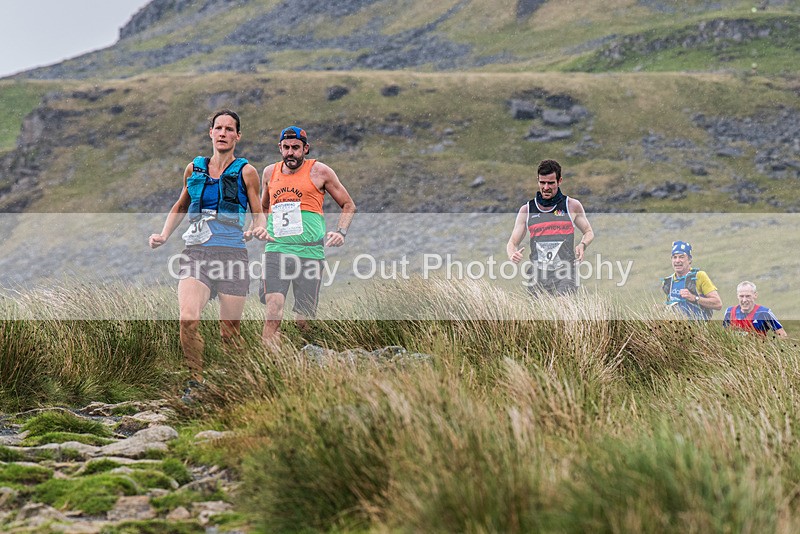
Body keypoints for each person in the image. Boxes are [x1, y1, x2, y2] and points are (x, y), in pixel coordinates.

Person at [149, 109, 268, 401]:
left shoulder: (246, 171)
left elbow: (258, 212)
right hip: (196, 253)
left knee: (229, 334)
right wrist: (164, 235)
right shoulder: (194, 168)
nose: (224, 133)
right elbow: (180, 205)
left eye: (230, 129)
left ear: (238, 136)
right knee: (188, 318)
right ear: (211, 133)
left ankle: (242, 383)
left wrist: (257, 228)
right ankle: (195, 381)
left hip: (232, 256)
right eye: (219, 128)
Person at [260, 126, 355, 344]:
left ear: (306, 148)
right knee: (274, 310)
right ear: (280, 148)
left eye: (295, 148)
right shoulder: (269, 173)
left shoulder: (320, 171)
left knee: (303, 322)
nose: (290, 153)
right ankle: (268, 365)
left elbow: (348, 204)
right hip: (277, 251)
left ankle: (310, 358)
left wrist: (341, 232)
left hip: (310, 252)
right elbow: (263, 207)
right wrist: (263, 227)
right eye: (286, 148)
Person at [506, 159, 594, 295]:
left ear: (559, 181)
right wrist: (513, 254)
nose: (546, 187)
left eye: (551, 183)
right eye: (542, 182)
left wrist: (583, 245)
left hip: (566, 272)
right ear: (538, 181)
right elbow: (512, 242)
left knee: (562, 306)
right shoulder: (527, 210)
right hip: (537, 275)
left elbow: (588, 232)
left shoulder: (572, 205)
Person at [661, 240, 722, 319]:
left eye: (681, 257)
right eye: (674, 257)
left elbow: (718, 304)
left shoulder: (699, 276)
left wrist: (694, 298)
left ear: (689, 260)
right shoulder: (668, 282)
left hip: (699, 328)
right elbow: (672, 307)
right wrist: (662, 309)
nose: (677, 260)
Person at [723, 281, 787, 337]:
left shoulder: (764, 313)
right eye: (741, 296)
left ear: (755, 295)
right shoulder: (729, 312)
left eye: (748, 296)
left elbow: (782, 335)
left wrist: (772, 349)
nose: (744, 300)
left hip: (757, 350)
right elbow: (725, 335)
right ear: (737, 296)